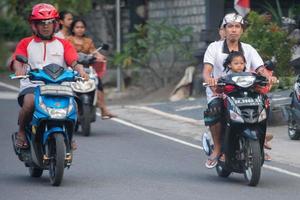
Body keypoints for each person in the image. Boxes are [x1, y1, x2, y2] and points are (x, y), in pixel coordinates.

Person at [202, 13, 277, 169]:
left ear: (242, 30)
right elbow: (207, 70)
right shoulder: (214, 48)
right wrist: (210, 80)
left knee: (265, 103)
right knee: (214, 108)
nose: (233, 30)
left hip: (246, 91)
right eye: (230, 26)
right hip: (220, 91)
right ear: (224, 29)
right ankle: (216, 148)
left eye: (237, 26)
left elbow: (260, 68)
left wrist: (268, 77)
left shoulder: (248, 49)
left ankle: (260, 141)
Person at [10, 3, 89, 149]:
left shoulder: (64, 44)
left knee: (75, 106)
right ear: (34, 25)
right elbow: (17, 59)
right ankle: (21, 132)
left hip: (60, 85)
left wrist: (81, 70)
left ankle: (69, 137)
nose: (45, 26)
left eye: (49, 22)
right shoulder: (25, 43)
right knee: (29, 103)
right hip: (33, 85)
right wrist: (19, 69)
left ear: (55, 24)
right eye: (41, 23)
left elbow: (73, 61)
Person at [223, 51, 274, 161]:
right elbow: (218, 88)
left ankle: (262, 140)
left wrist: (270, 79)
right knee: (219, 113)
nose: (239, 65)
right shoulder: (225, 78)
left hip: (249, 106)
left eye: (242, 63)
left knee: (265, 101)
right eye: (236, 63)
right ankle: (222, 149)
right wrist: (215, 83)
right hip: (233, 108)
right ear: (229, 65)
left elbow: (262, 83)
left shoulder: (251, 76)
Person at [67, 19, 116, 119]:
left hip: (87, 68)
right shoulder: (68, 40)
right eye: (77, 27)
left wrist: (101, 57)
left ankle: (103, 109)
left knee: (98, 82)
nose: (80, 29)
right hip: (71, 68)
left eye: (82, 27)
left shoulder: (88, 41)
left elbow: (94, 51)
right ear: (73, 29)